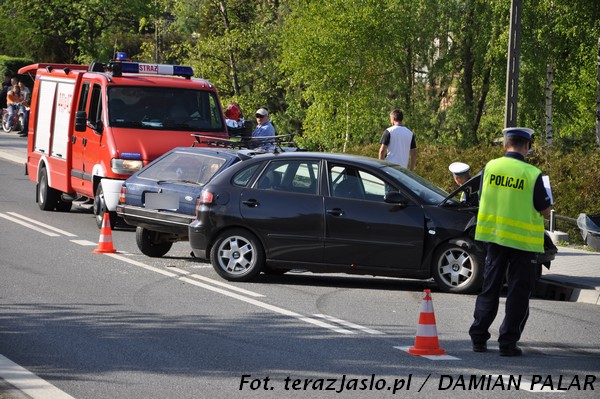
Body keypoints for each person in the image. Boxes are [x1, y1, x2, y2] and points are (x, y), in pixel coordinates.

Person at [469, 127, 552, 357]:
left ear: (505, 145)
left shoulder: (490, 167)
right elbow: (544, 210)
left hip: (494, 238)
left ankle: (478, 338)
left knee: (490, 287)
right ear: (527, 147)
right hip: (523, 244)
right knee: (518, 292)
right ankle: (507, 343)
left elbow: (479, 197)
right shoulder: (532, 173)